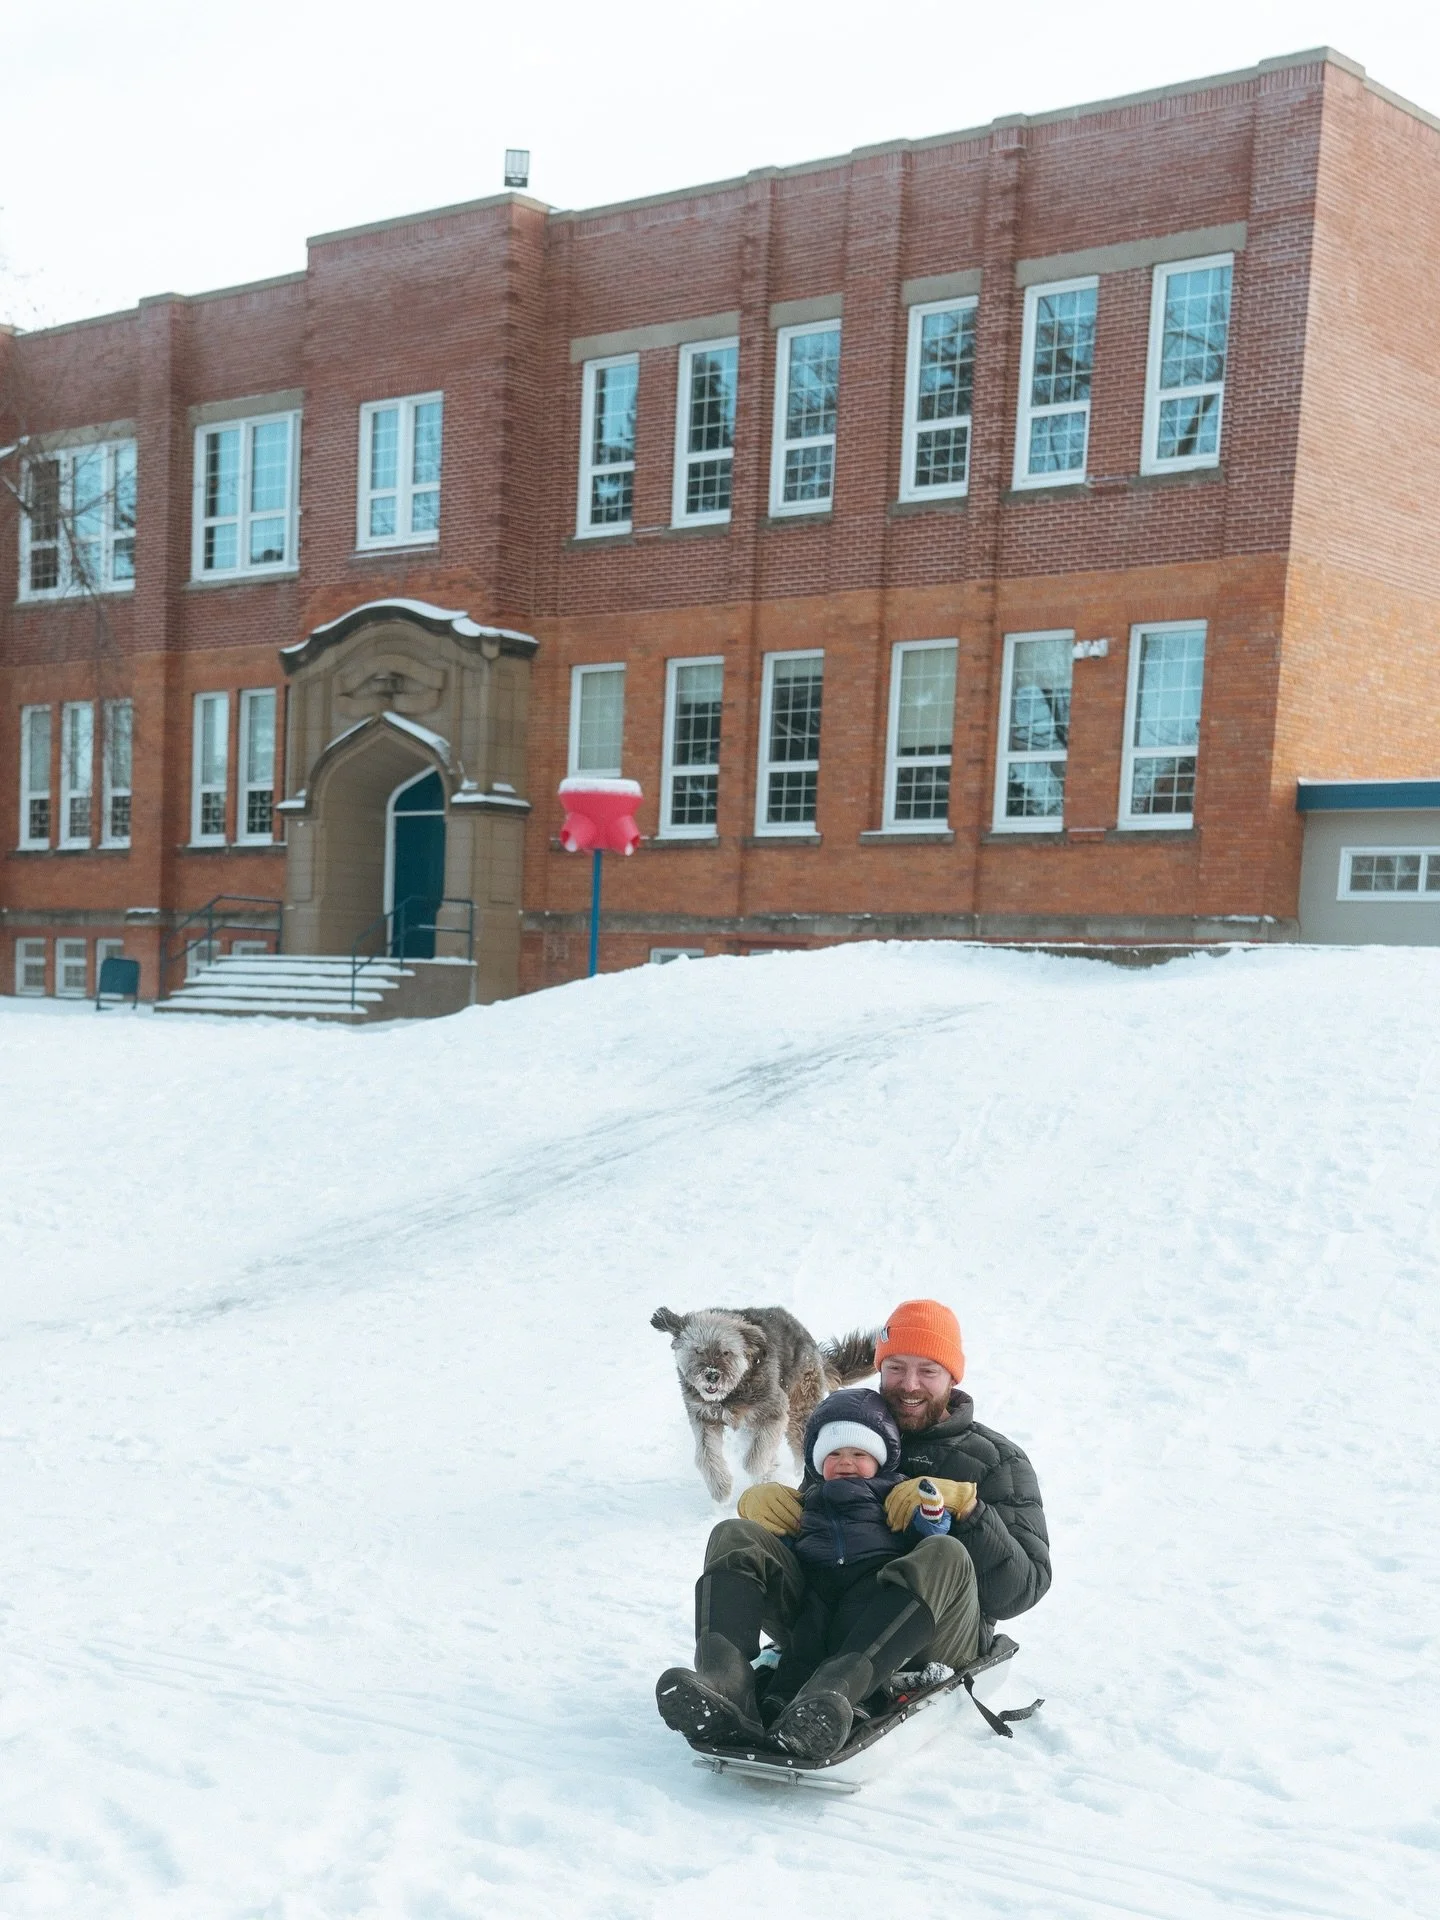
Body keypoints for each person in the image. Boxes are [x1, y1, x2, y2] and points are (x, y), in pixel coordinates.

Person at [655, 1298, 1050, 1762]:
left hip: (938, 1635)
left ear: (953, 1376)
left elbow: (1020, 1591)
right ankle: (725, 1683)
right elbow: (826, 1546)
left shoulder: (997, 1460)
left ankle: (834, 1697)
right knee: (734, 1535)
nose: (909, 1385)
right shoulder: (846, 1433)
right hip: (829, 1616)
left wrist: (970, 1509)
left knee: (941, 1552)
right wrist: (780, 1515)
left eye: (928, 1370)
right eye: (896, 1368)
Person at [755, 1386, 952, 1755]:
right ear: (818, 1461)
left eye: (859, 1453)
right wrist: (777, 1543)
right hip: (820, 1583)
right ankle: (778, 1703)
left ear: (879, 1460)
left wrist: (931, 1513)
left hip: (870, 1578)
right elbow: (796, 1541)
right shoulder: (810, 1498)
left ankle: (848, 1705)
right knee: (804, 1643)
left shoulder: (891, 1490)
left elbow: (924, 1535)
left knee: (857, 1641)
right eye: (834, 1454)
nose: (845, 1461)